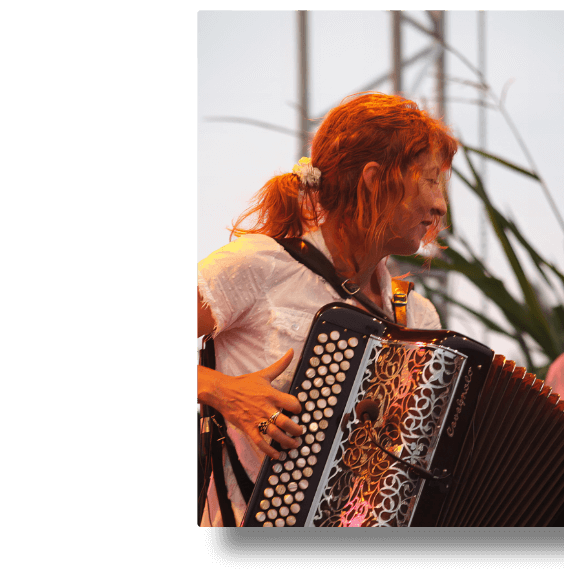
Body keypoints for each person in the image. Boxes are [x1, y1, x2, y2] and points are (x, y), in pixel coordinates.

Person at [197, 92, 459, 526]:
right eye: (430, 180)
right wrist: (223, 392)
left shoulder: (417, 318)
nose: (440, 205)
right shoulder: (262, 266)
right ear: (375, 179)